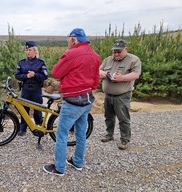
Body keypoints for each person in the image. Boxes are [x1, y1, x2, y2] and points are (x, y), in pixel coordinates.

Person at [43, 28, 100, 176]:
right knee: (81, 133)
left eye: (68, 39)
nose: (67, 42)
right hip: (87, 99)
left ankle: (59, 168)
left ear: (74, 39)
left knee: (61, 134)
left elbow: (56, 73)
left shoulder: (71, 54)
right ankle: (77, 162)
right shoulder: (95, 55)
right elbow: (95, 80)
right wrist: (88, 87)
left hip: (73, 101)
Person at [99, 39, 142, 150]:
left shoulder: (133, 60)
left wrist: (122, 78)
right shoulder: (108, 59)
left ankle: (125, 139)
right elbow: (97, 71)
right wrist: (104, 73)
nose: (116, 54)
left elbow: (136, 74)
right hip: (108, 95)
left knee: (123, 118)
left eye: (119, 51)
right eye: (114, 51)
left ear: (125, 49)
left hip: (122, 95)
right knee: (108, 116)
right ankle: (109, 134)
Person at [15, 41, 48, 136]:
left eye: (30, 50)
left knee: (37, 109)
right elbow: (17, 75)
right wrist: (26, 76)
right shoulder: (22, 63)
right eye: (27, 50)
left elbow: (45, 76)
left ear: (35, 51)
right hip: (25, 89)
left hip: (36, 89)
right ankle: (23, 129)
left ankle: (39, 127)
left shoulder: (40, 63)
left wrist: (35, 75)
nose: (28, 52)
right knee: (24, 110)